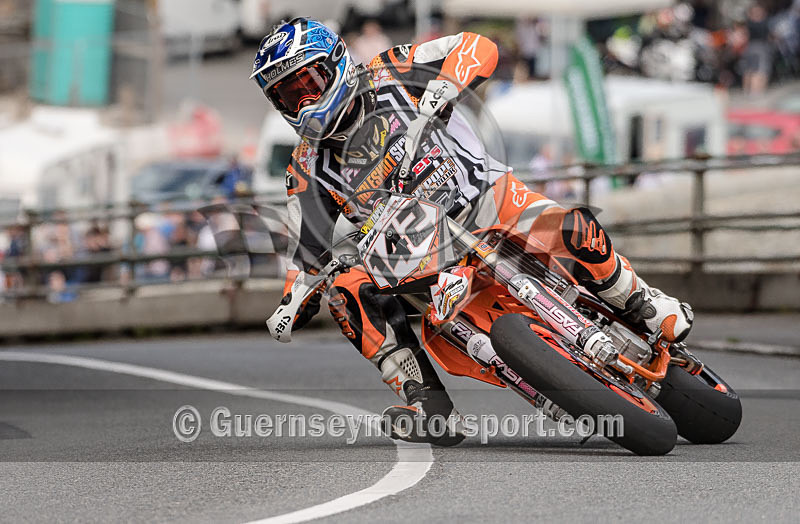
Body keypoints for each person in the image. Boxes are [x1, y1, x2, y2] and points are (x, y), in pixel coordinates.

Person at [250, 18, 694, 445]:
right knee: (346, 291)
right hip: (419, 257)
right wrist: (291, 301)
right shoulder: (305, 168)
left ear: (337, 63)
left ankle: (638, 299)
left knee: (574, 228)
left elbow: (477, 46)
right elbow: (306, 246)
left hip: (487, 200)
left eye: (309, 84)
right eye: (289, 96)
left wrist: (447, 85)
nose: (305, 102)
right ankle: (429, 408)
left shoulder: (390, 69)